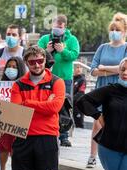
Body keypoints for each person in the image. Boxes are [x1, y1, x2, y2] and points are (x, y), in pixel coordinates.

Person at [10, 45, 66, 170]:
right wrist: (43, 104)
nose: (36, 65)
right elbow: (17, 110)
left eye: (40, 61)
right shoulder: (18, 84)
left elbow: (55, 108)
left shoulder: (57, 82)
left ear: (45, 60)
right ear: (26, 63)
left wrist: (29, 104)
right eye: (32, 62)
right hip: (23, 137)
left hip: (47, 137)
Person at [76, 57, 127, 170]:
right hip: (109, 147)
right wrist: (98, 115)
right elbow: (83, 101)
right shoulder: (112, 90)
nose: (125, 72)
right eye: (123, 69)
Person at [86, 13, 127, 168]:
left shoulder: (126, 48)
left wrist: (104, 68)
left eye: (117, 29)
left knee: (115, 122)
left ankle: (113, 154)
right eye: (112, 29)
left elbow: (123, 68)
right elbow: (93, 69)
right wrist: (110, 70)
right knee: (98, 121)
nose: (114, 32)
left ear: (123, 31)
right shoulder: (102, 47)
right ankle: (92, 155)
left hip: (119, 88)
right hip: (102, 88)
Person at [38, 14, 80, 147]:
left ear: (65, 27)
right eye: (56, 27)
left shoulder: (72, 39)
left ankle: (64, 136)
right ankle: (47, 132)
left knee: (64, 106)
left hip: (64, 78)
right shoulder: (45, 38)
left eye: (60, 27)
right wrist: (47, 51)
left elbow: (74, 55)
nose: (57, 29)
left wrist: (63, 51)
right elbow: (36, 54)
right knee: (46, 105)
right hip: (47, 78)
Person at [0, 56, 26, 170]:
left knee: (17, 165)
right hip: (2, 131)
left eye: (14, 67)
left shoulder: (25, 86)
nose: (11, 69)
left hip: (17, 131)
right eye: (9, 67)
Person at [72, 62, 86, 129]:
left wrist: (71, 99)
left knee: (79, 124)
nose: (79, 69)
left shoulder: (82, 79)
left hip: (78, 105)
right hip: (71, 104)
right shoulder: (71, 78)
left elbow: (81, 92)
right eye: (77, 67)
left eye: (80, 67)